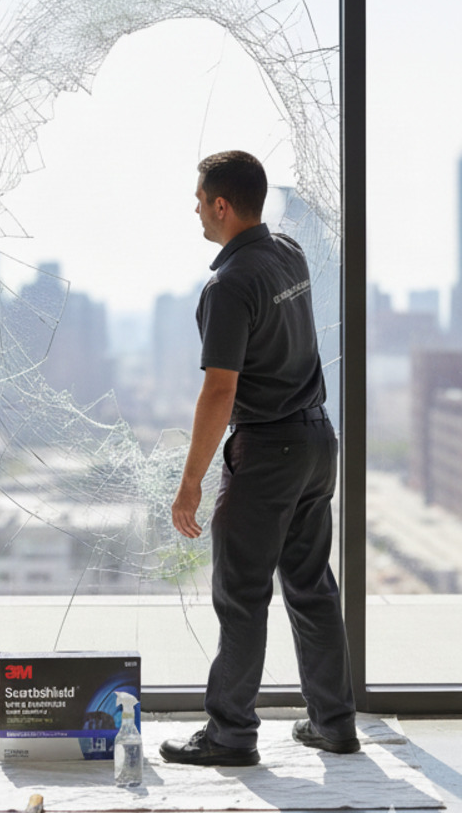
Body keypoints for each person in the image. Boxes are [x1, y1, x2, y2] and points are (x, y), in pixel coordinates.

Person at [159, 150, 358, 767]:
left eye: (199, 197)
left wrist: (190, 482)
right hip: (318, 442)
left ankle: (230, 735)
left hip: (269, 451)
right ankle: (334, 724)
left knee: (241, 594)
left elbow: (220, 390)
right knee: (310, 585)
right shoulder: (289, 253)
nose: (194, 206)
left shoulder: (229, 284)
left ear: (221, 205)